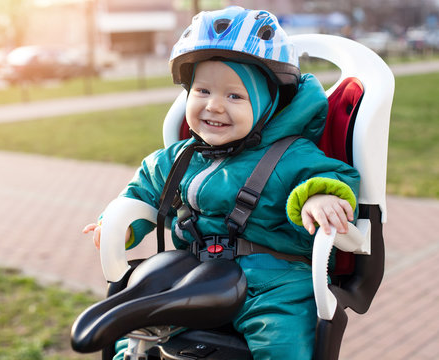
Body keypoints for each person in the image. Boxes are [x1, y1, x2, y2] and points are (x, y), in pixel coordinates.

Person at [83, 6, 359, 360]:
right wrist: (121, 226)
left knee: (283, 339)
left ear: (269, 105)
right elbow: (142, 191)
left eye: (234, 96)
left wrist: (317, 197)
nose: (213, 106)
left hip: (273, 280)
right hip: (192, 271)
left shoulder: (291, 154)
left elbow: (331, 176)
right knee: (135, 329)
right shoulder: (179, 158)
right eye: (202, 91)